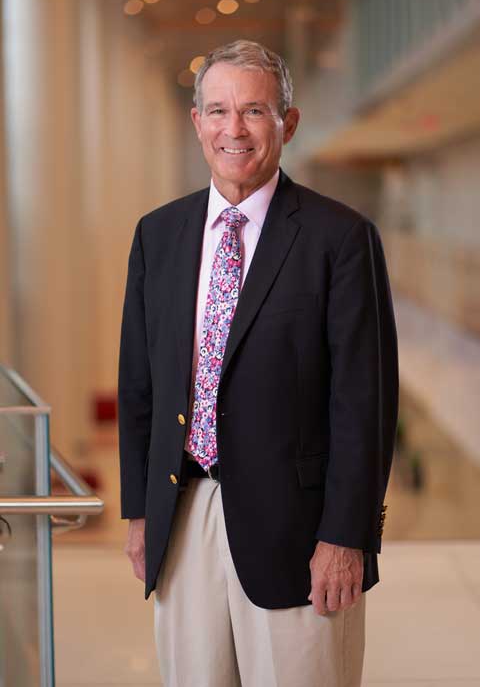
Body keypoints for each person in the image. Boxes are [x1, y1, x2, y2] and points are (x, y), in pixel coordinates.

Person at [118, 39, 399, 687]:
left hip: (302, 537)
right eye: (217, 111)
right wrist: (140, 512)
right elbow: (140, 386)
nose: (233, 129)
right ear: (197, 124)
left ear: (287, 123)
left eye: (253, 111)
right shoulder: (157, 236)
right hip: (184, 519)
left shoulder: (341, 240)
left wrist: (345, 536)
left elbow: (363, 404)